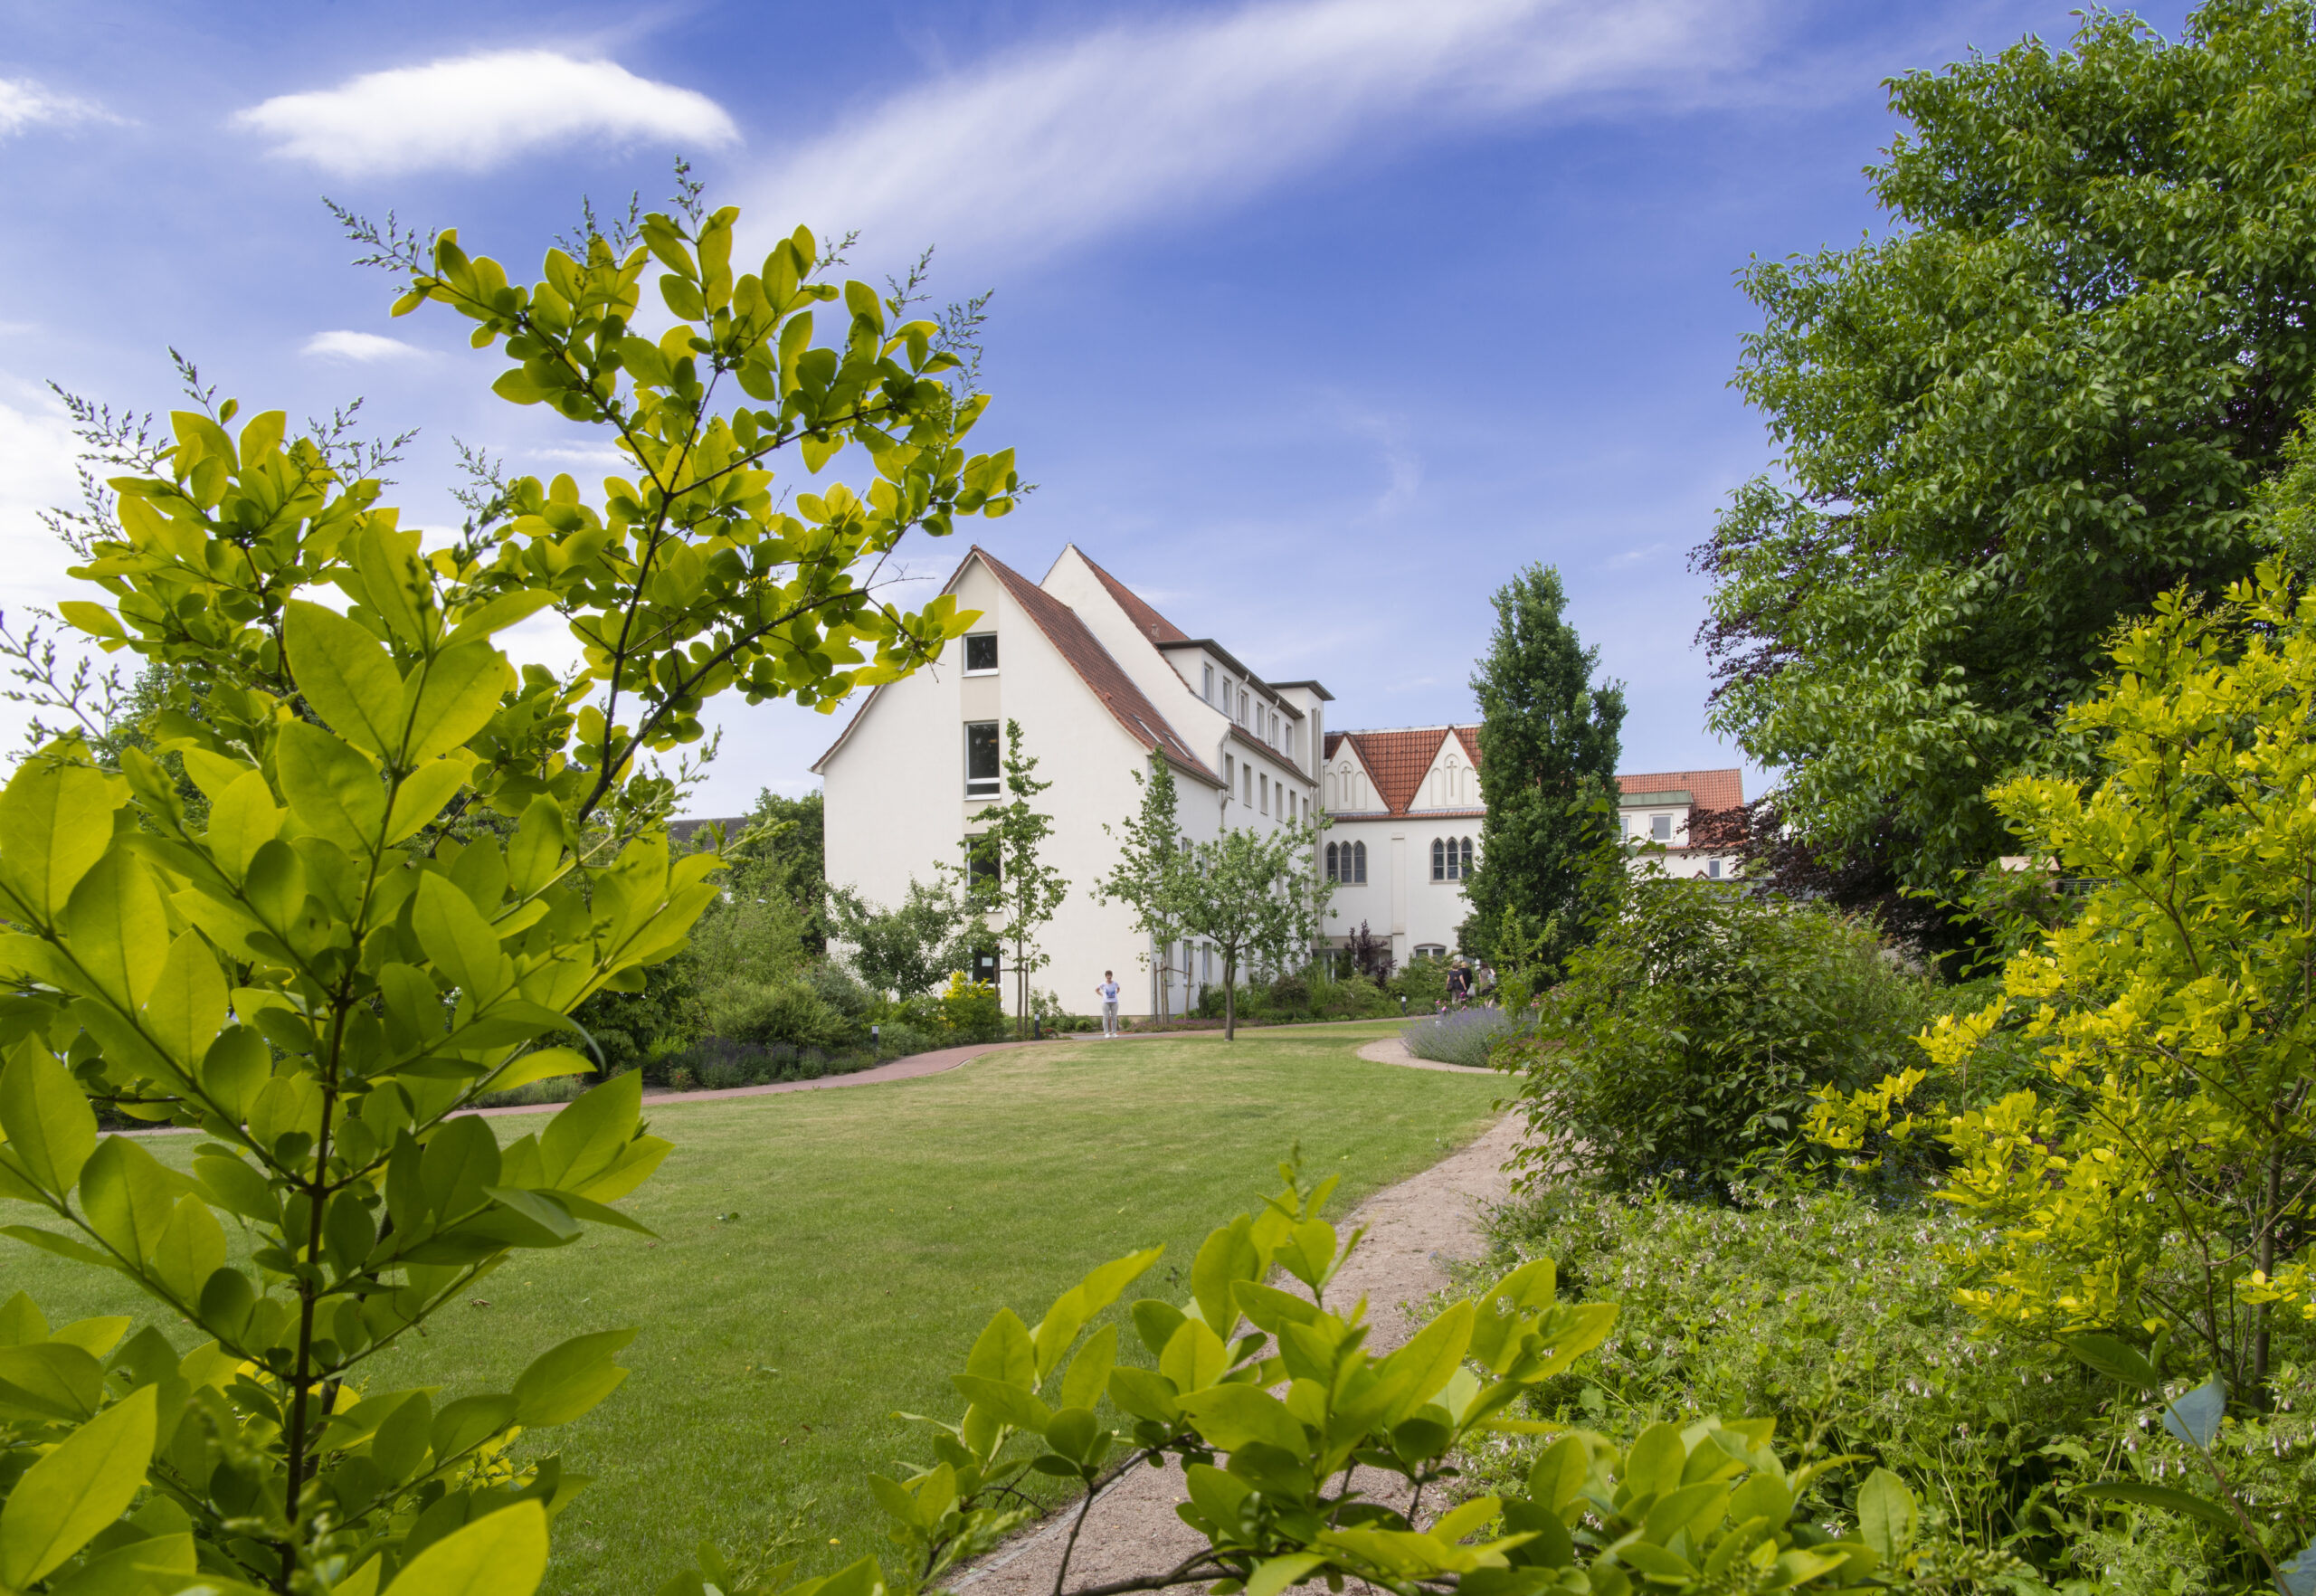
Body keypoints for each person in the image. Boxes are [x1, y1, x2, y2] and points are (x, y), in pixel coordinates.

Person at [1095, 970, 1122, 1038]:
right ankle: (1106, 1033)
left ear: (1111, 976)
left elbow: (1118, 989)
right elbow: (1096, 990)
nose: (1109, 976)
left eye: (1110, 975)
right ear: (1106, 976)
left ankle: (1114, 1033)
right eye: (1107, 975)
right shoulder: (1103, 984)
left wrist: (1115, 994)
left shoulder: (1115, 983)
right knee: (1106, 1017)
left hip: (1114, 1002)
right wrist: (1102, 995)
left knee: (1114, 1017)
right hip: (1105, 1002)